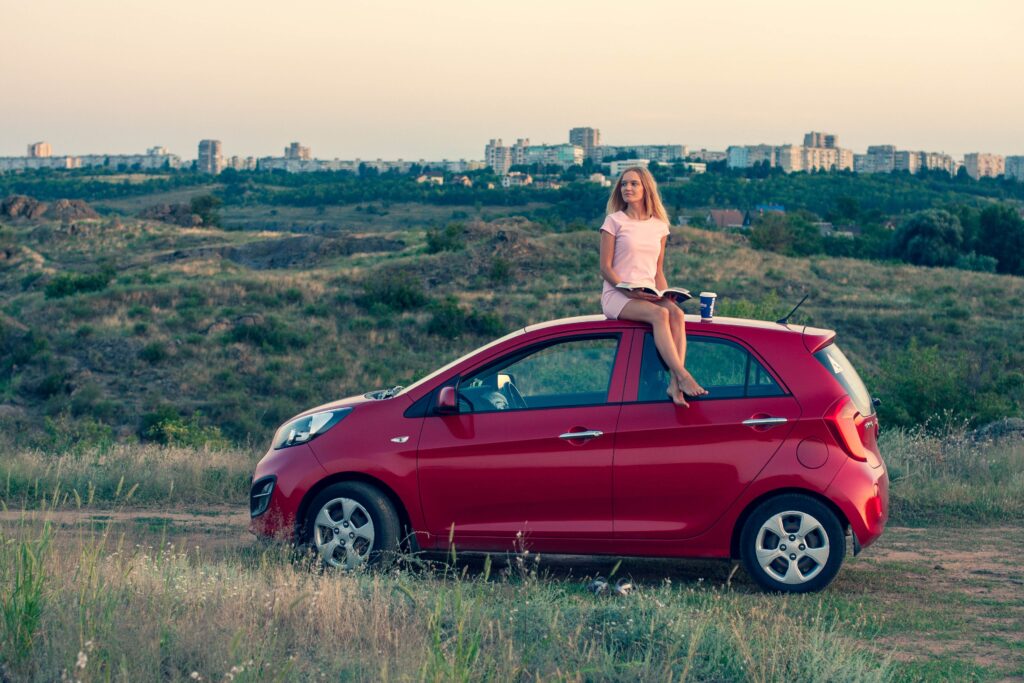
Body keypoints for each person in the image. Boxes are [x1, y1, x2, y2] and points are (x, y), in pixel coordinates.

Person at [599, 166, 707, 407]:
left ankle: (673, 384)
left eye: (634, 184)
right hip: (618, 295)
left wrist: (667, 295)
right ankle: (682, 375)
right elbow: (605, 268)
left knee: (676, 314)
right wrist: (626, 289)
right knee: (659, 315)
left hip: (647, 294)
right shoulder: (614, 221)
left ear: (646, 188)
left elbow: (657, 271)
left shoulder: (659, 226)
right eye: (624, 184)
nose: (627, 188)